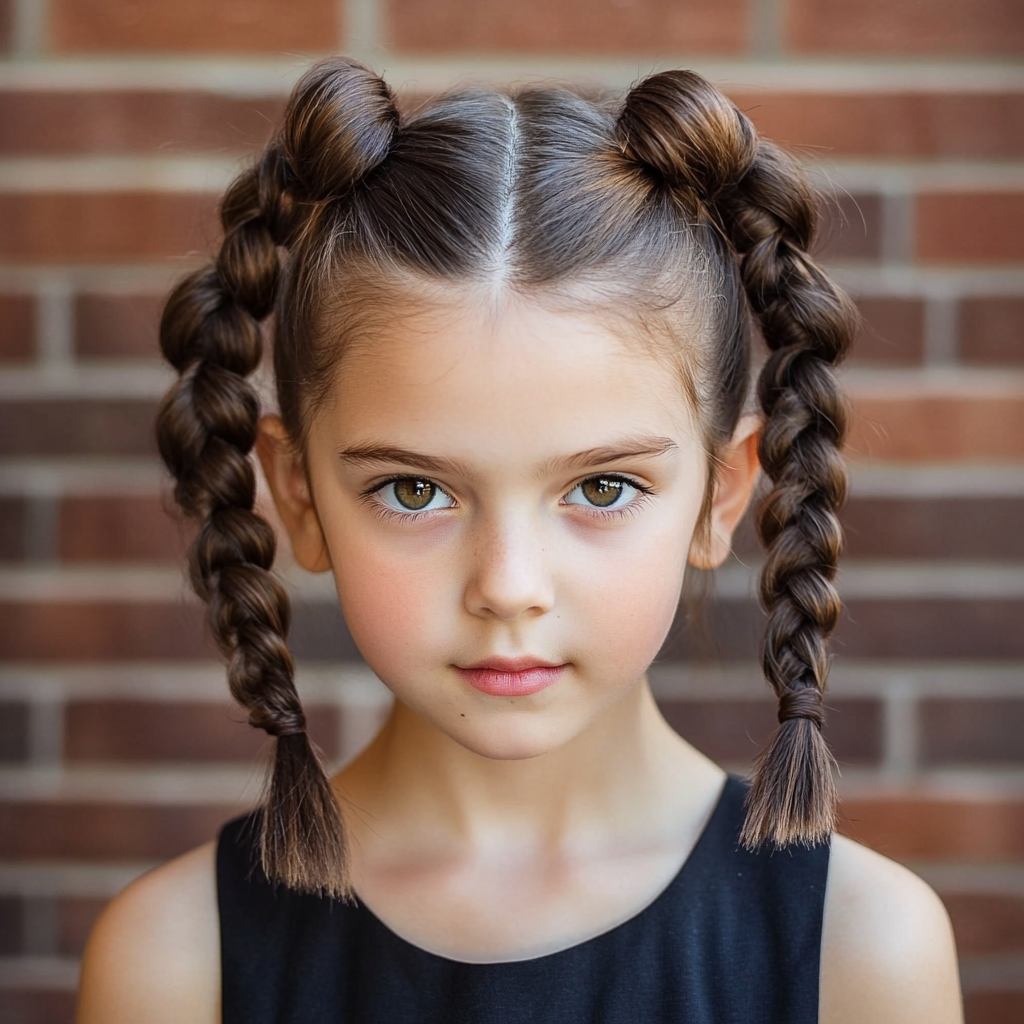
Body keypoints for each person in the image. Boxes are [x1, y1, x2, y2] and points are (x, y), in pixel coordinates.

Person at [76, 58, 962, 1024]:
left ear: (720, 496)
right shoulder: (173, 962)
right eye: (414, 491)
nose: (508, 586)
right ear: (298, 494)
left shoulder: (861, 949)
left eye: (602, 486)